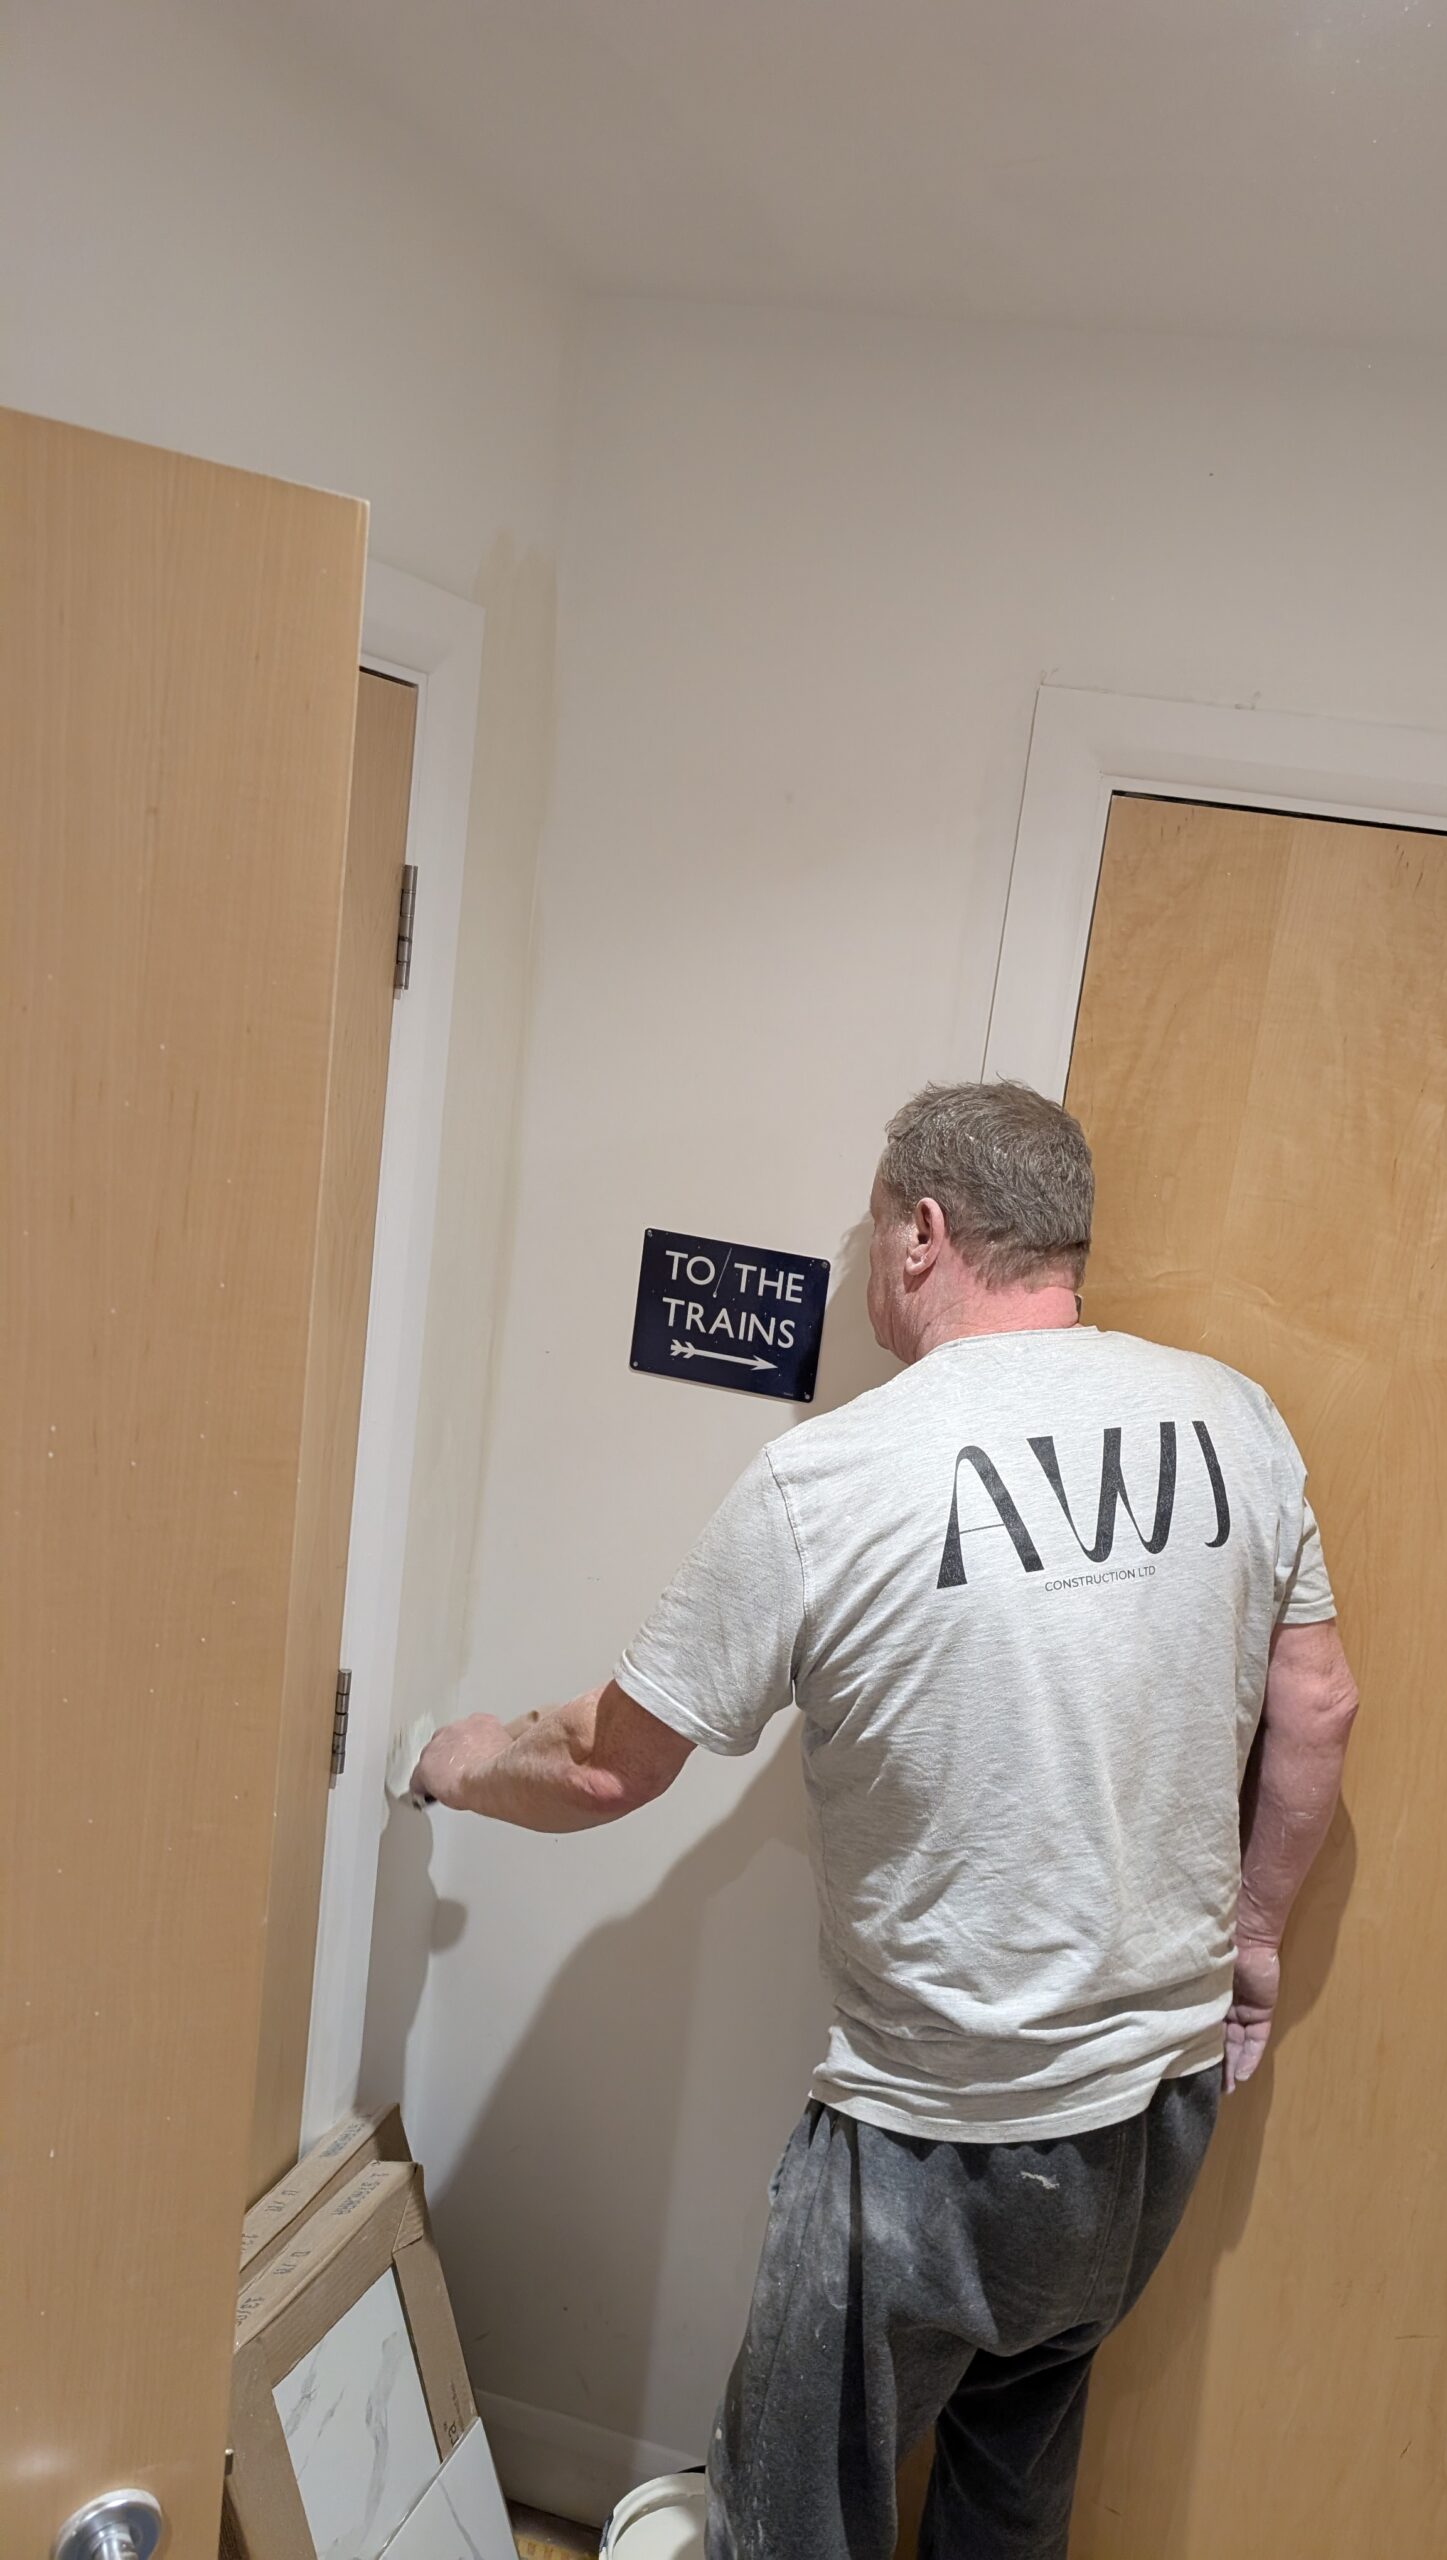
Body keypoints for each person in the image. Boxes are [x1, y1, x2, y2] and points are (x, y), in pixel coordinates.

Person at [413, 1079, 1359, 2560]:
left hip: (942, 2132)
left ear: (923, 1235)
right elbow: (1318, 1710)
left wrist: (459, 1761)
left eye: (872, 1238)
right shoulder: (1236, 1423)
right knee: (1009, 2485)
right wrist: (1253, 1940)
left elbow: (609, 1766)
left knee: (793, 2521)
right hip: (1154, 2108)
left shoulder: (835, 1476)